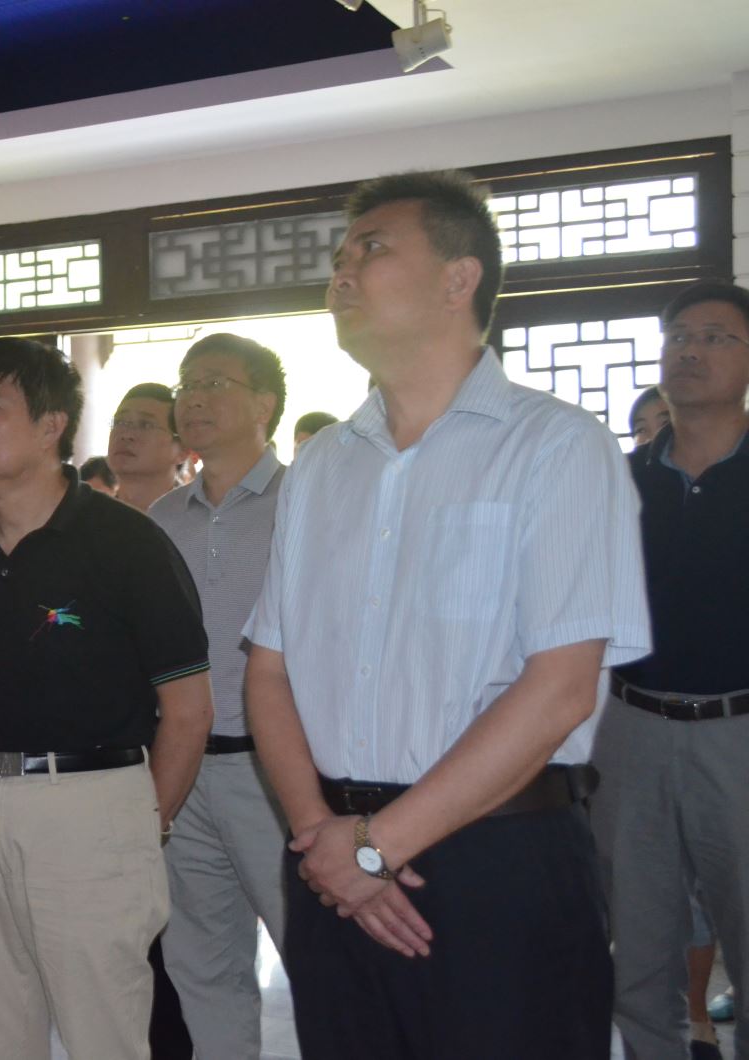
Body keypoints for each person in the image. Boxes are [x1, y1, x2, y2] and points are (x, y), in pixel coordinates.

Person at [244, 170, 649, 1060]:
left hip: (497, 857)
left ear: (459, 279)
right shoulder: (321, 466)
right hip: (327, 855)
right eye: (340, 255)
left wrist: (377, 849)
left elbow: (560, 689)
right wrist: (325, 840)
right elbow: (268, 669)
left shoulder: (556, 446)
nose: (342, 272)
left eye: (372, 248)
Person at [0, 337, 214, 1060]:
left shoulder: (126, 543)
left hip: (90, 801)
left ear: (51, 425)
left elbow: (188, 710)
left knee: (103, 1029)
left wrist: (144, 824)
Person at [592, 280, 749, 1060]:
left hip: (739, 731)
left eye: (716, 337)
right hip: (632, 728)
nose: (690, 350)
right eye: (680, 336)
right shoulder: (618, 481)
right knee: (639, 949)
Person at [150, 332, 290, 1060]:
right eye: (186, 384)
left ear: (264, 403)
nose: (192, 399)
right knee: (202, 967)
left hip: (276, 773)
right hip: (182, 767)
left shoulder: (303, 502)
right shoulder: (160, 519)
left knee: (319, 959)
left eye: (214, 383)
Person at [107, 382, 188, 511]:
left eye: (146, 425)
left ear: (183, 450)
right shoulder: (87, 516)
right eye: (120, 422)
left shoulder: (201, 520)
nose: (126, 435)